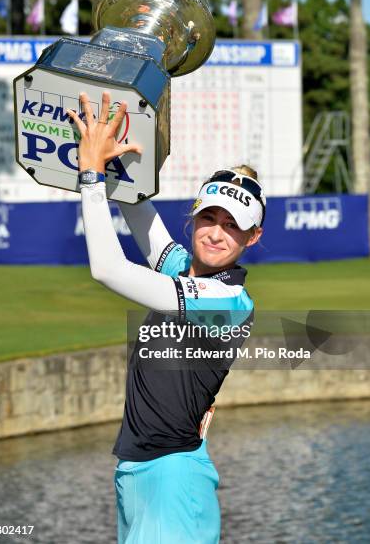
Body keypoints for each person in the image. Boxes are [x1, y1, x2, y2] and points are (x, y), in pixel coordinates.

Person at [67, 91, 265, 544]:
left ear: (253, 238)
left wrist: (92, 174)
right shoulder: (185, 269)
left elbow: (108, 269)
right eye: (209, 217)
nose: (217, 233)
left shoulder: (228, 301)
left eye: (232, 225)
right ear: (193, 219)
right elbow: (139, 212)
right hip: (136, 470)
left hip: (173, 477)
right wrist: (119, 154)